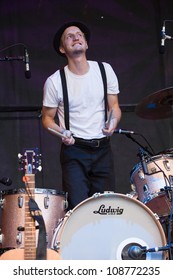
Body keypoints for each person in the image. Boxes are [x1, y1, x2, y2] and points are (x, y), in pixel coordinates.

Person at [42, 21, 122, 210]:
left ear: (86, 44)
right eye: (69, 36)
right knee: (79, 209)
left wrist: (112, 122)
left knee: (107, 208)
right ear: (63, 48)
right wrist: (61, 132)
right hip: (74, 152)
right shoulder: (55, 81)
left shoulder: (104, 70)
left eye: (79, 34)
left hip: (102, 148)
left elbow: (115, 107)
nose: (76, 37)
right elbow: (46, 119)